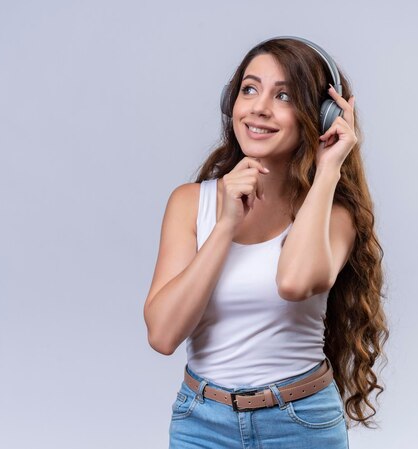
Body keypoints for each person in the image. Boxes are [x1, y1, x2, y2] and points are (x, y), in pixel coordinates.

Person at [143, 36, 389, 449]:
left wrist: (329, 170)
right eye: (250, 89)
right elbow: (163, 335)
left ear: (322, 116)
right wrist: (224, 226)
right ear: (232, 103)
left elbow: (294, 282)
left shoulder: (335, 213)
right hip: (201, 423)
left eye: (284, 95)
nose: (259, 107)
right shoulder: (189, 203)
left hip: (301, 422)